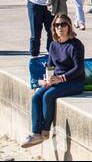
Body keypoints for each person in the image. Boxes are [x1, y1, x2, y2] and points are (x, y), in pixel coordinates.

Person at [21, 14, 85, 148]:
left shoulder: (76, 45)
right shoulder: (53, 45)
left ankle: (45, 130)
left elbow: (78, 69)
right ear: (53, 28)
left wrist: (61, 78)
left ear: (69, 26)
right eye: (57, 25)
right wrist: (45, 80)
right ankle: (35, 133)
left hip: (74, 82)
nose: (60, 27)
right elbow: (50, 66)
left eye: (63, 24)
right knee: (36, 96)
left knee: (48, 95)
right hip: (56, 80)